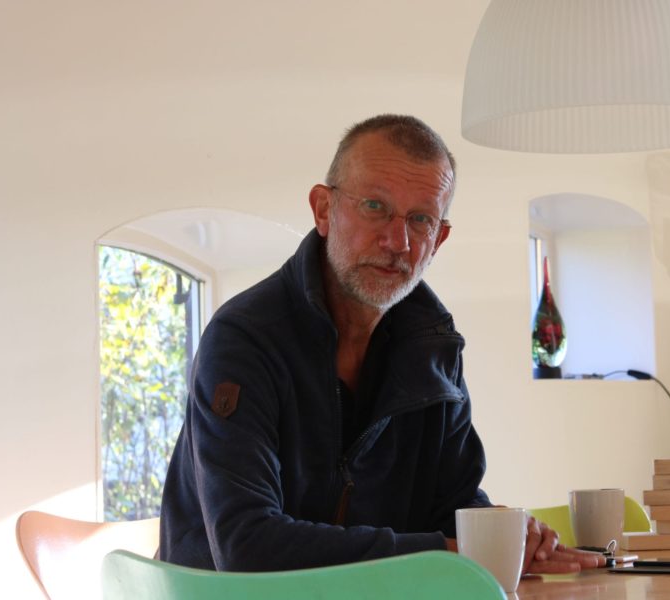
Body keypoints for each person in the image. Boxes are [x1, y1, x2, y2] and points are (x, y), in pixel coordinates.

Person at [159, 114, 604, 575]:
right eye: (375, 206)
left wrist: (507, 534)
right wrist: (450, 552)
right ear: (323, 210)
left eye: (421, 219)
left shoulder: (435, 347)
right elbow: (246, 547)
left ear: (439, 238)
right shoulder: (244, 339)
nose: (398, 241)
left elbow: (452, 505)